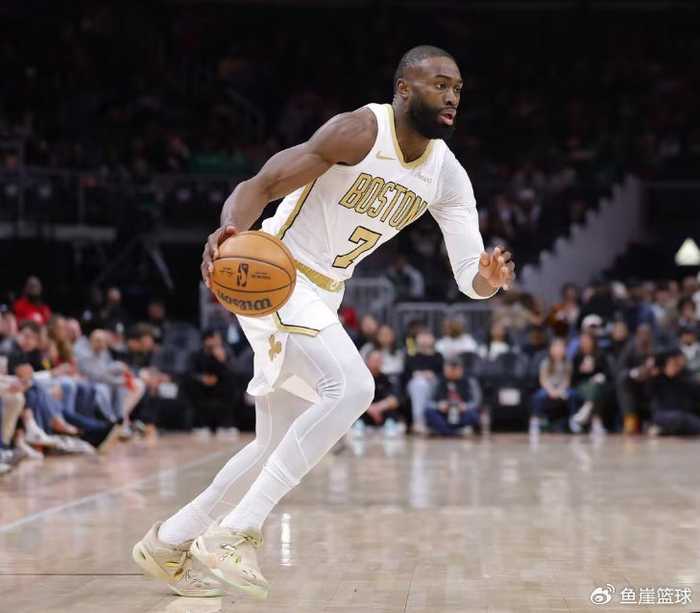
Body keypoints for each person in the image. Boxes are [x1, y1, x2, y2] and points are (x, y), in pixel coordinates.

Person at [132, 45, 515, 599]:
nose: (452, 96)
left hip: (324, 293)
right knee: (354, 387)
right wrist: (229, 230)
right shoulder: (359, 131)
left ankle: (169, 542)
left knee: (274, 445)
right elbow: (262, 185)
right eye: (439, 84)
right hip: (277, 271)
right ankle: (237, 532)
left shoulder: (447, 176)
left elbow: (466, 277)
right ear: (404, 89)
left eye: (457, 88)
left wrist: (488, 279)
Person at [424, 356, 482, 437]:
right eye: (450, 370)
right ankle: (457, 432)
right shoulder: (437, 380)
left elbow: (477, 401)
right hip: (443, 414)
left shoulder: (470, 380)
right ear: (444, 369)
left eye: (456, 369)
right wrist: (438, 406)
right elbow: (427, 402)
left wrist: (466, 406)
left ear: (461, 369)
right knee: (429, 412)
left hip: (462, 413)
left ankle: (444, 431)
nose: (453, 372)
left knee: (473, 414)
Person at [649, 350, 700, 436]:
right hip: (662, 414)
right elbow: (648, 393)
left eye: (677, 364)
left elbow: (695, 392)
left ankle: (664, 431)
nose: (674, 366)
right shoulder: (657, 378)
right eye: (672, 363)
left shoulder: (686, 376)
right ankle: (664, 429)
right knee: (679, 418)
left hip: (684, 415)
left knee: (687, 421)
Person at [353, 350, 403, 435]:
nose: (377, 363)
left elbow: (394, 400)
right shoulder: (360, 379)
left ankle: (390, 426)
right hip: (365, 412)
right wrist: (370, 409)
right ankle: (358, 426)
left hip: (382, 413)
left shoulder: (387, 379)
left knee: (393, 412)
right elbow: (354, 399)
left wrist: (378, 408)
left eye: (379, 360)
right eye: (374, 360)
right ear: (367, 361)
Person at [530, 338, 574, 434]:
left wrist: (560, 390)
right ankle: (535, 419)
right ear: (551, 349)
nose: (558, 350)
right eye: (556, 347)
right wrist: (551, 391)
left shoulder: (567, 363)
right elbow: (543, 379)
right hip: (548, 387)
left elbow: (567, 380)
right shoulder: (546, 362)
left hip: (562, 388)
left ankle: (572, 420)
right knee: (538, 397)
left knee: (572, 395)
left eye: (561, 347)